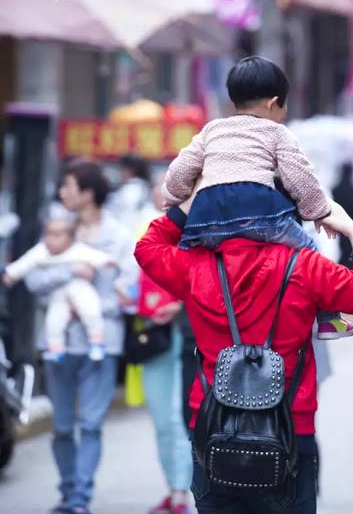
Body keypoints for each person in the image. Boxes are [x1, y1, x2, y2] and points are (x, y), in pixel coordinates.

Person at [134, 189, 353, 514]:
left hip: (212, 432)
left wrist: (190, 199)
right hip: (289, 434)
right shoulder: (306, 266)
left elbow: (146, 248)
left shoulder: (195, 267)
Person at [161, 56, 353, 341]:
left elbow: (179, 171)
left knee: (202, 264)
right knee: (309, 252)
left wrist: (173, 197)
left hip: (207, 218)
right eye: (284, 106)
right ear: (272, 103)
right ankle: (328, 318)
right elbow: (299, 178)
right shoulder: (277, 132)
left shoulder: (212, 130)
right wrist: (320, 213)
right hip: (258, 212)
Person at [24, 160, 136, 514]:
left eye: (68, 187)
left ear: (87, 193)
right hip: (58, 343)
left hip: (101, 344)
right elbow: (33, 280)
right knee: (61, 427)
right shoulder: (57, 230)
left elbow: (127, 293)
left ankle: (79, 498)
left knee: (89, 424)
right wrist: (69, 274)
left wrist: (94, 303)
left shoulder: (118, 235)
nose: (62, 193)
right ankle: (68, 489)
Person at [136, 178, 193, 514]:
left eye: (170, 201)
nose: (165, 207)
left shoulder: (199, 233)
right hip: (153, 334)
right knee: (160, 417)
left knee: (177, 417)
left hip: (186, 335)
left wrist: (182, 305)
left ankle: (182, 493)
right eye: (160, 200)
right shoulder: (145, 234)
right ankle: (172, 486)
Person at [3, 216, 115, 362]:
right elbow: (24, 263)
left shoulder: (78, 250)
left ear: (70, 237)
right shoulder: (41, 251)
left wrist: (107, 261)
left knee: (91, 310)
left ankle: (97, 342)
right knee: (54, 320)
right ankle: (56, 349)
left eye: (57, 235)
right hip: (59, 293)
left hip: (80, 288)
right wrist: (11, 274)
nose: (51, 239)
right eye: (47, 234)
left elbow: (98, 257)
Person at [107, 153, 151, 231]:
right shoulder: (142, 186)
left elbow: (125, 216)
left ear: (130, 170)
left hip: (130, 231)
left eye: (122, 169)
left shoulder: (132, 189)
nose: (121, 173)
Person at [332, 162, 353, 267]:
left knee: (341, 249)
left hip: (337, 225)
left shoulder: (336, 188)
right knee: (348, 251)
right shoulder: (351, 190)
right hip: (351, 225)